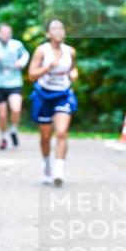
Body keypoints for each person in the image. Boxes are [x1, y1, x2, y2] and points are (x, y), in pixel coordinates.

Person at [28, 19, 78, 186]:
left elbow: (73, 68)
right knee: (45, 136)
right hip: (43, 95)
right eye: (54, 28)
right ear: (48, 34)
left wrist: (74, 74)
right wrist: (47, 67)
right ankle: (47, 165)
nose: (58, 31)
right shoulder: (42, 51)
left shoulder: (70, 51)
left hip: (63, 94)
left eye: (61, 28)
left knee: (62, 131)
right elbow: (31, 75)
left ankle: (58, 170)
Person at [0, 23, 30, 150]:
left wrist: (21, 63)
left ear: (11, 34)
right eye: (3, 32)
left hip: (14, 83)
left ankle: (13, 130)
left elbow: (26, 55)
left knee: (16, 109)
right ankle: (3, 137)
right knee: (2, 115)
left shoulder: (17, 45)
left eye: (8, 32)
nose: (5, 35)